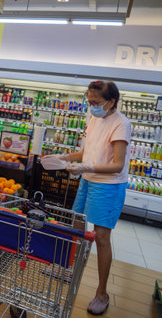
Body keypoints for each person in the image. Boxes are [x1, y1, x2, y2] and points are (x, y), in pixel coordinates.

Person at [49, 81, 131, 315]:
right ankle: (69, 269)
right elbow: (88, 151)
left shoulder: (121, 124)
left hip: (108, 186)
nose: (92, 106)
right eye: (89, 101)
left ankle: (102, 293)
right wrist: (63, 157)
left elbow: (117, 165)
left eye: (96, 103)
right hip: (88, 179)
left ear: (111, 102)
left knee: (101, 238)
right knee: (76, 224)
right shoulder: (93, 117)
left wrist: (85, 167)